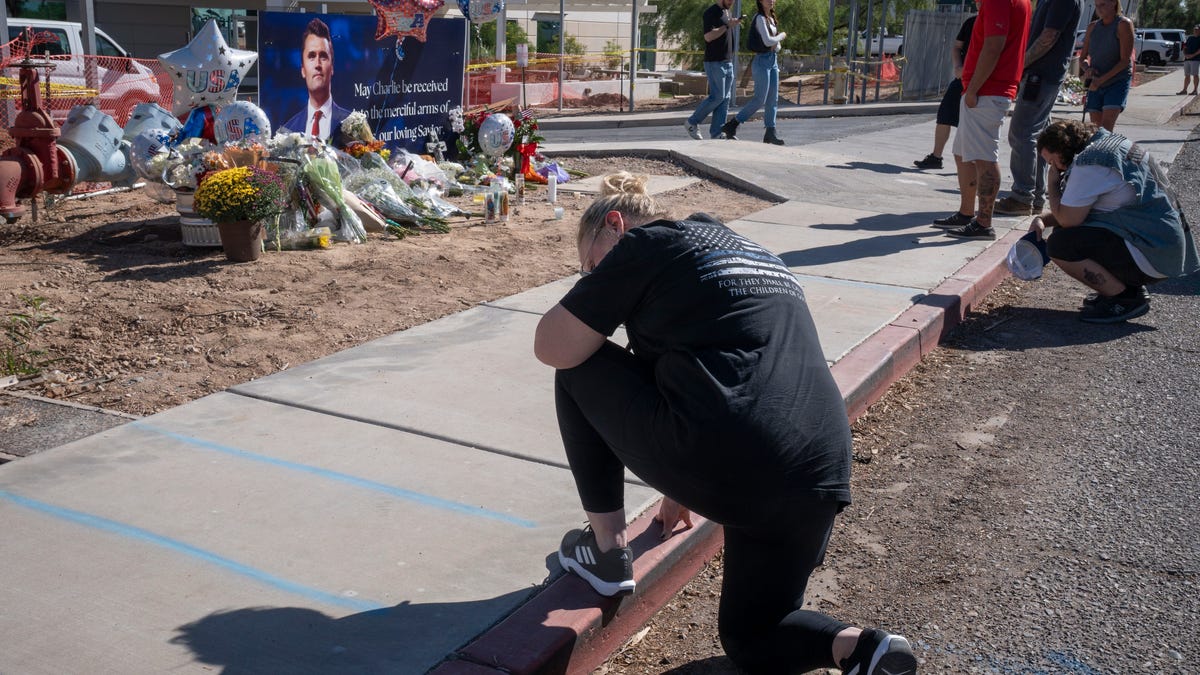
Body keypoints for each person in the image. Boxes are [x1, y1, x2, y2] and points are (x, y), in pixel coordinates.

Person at [533, 172, 919, 675]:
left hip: (735, 460)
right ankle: (866, 648)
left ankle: (607, 554)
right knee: (753, 637)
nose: (592, 278)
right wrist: (678, 487)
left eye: (589, 266)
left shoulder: (646, 244)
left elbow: (553, 346)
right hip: (819, 473)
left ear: (615, 225)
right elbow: (719, 371)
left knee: (577, 365)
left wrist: (593, 289)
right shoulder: (752, 252)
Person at [1030, 120, 1199, 323]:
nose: (1054, 168)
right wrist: (1042, 219)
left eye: (1052, 162)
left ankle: (1124, 298)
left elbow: (1068, 219)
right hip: (1163, 246)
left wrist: (1052, 183)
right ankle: (1125, 287)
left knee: (1061, 243)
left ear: (1062, 149)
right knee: (1072, 231)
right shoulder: (1110, 146)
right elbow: (1079, 209)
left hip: (1153, 254)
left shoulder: (1089, 164)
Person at [932, 0, 1031, 240]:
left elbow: (993, 46)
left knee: (984, 156)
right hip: (985, 89)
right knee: (963, 153)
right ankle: (967, 213)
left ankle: (984, 223)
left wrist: (974, 88)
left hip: (987, 90)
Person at [992, 0, 1082, 216]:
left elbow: (1049, 36)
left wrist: (1019, 65)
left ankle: (1022, 196)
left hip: (1041, 76)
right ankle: (1035, 197)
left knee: (1021, 134)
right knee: (1041, 137)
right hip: (1042, 76)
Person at [720, 0, 787, 145]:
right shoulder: (759, 18)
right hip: (762, 61)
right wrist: (781, 36)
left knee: (773, 99)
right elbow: (768, 41)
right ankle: (732, 125)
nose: (771, 1)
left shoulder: (771, 18)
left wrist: (775, 42)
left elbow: (777, 47)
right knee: (759, 99)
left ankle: (770, 132)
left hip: (773, 60)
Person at [914, 13, 976, 170]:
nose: (979, 3)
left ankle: (976, 162)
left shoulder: (997, 22)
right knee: (945, 114)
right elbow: (957, 47)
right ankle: (936, 157)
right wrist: (958, 67)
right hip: (962, 78)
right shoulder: (971, 22)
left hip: (983, 81)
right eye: (977, 2)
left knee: (973, 123)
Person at [281, 18, 351, 147]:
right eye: (311, 56)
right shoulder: (288, 131)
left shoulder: (352, 125)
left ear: (332, 67)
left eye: (323, 56)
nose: (317, 64)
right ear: (303, 69)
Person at [685, 0, 740, 140]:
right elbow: (708, 36)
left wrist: (730, 24)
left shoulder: (727, 12)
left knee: (725, 98)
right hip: (715, 62)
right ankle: (692, 122)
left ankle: (717, 132)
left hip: (728, 61)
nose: (732, 2)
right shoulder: (710, 12)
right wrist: (727, 25)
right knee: (718, 96)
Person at [1077, 0, 1134, 132]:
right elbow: (1082, 58)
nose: (1099, 9)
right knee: (1095, 128)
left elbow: (1125, 61)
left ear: (1114, 3)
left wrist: (1101, 80)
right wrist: (1087, 69)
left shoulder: (1123, 24)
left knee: (1106, 128)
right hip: (1096, 82)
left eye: (1103, 4)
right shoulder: (1092, 27)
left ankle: (1107, 145)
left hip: (1117, 81)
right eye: (1097, 5)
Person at [1178, 24, 1200, 95]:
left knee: (1195, 75)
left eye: (1197, 29)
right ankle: (1184, 90)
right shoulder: (1190, 38)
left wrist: (1192, 55)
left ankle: (1195, 90)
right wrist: (1185, 55)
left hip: (1195, 59)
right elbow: (1185, 47)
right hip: (1187, 59)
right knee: (1187, 75)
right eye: (1194, 29)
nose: (1195, 31)